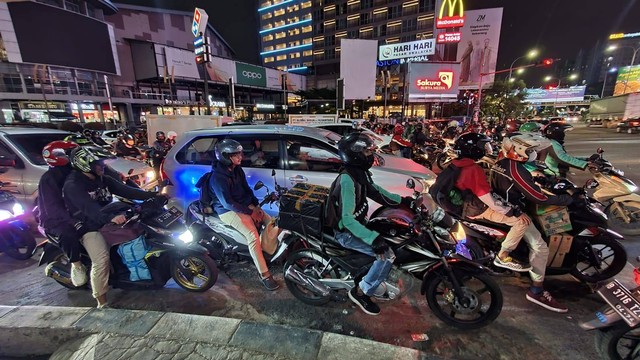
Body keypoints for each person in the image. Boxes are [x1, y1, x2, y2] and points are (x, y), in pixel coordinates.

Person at [327, 132, 412, 315]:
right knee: (386, 254)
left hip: (359, 223)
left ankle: (369, 273)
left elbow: (376, 192)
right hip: (346, 232)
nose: (370, 155)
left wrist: (404, 201)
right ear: (355, 154)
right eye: (366, 152)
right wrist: (374, 239)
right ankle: (362, 292)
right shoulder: (347, 180)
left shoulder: (360, 174)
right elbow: (347, 219)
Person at [63, 146, 159, 308]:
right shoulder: (73, 185)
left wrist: (155, 195)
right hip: (88, 226)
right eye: (99, 164)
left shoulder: (101, 178)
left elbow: (127, 191)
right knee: (101, 260)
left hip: (108, 219)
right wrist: (111, 218)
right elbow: (89, 209)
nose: (103, 167)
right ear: (85, 164)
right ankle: (101, 302)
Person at [491, 134, 573, 313]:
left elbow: (524, 185)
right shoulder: (516, 169)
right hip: (514, 210)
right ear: (520, 151)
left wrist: (537, 180)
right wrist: (566, 199)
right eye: (531, 151)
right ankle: (537, 290)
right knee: (540, 247)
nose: (534, 153)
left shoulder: (502, 163)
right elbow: (537, 197)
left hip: (504, 204)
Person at [208, 139, 278, 291]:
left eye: (239, 153)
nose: (240, 157)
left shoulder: (237, 170)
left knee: (272, 222)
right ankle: (264, 274)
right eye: (235, 155)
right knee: (252, 235)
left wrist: (257, 206)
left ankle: (265, 250)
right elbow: (227, 203)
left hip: (244, 205)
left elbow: (247, 190)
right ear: (225, 156)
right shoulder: (218, 178)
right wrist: (250, 212)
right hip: (227, 211)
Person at [38, 140, 87, 287]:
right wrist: (74, 222)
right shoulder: (49, 179)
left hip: (78, 212)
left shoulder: (76, 172)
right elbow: (53, 208)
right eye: (72, 153)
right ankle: (77, 265)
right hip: (56, 219)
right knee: (68, 233)